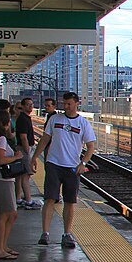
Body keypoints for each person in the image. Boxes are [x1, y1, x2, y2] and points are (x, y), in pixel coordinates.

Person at [32, 92, 96, 249]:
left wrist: (83, 163)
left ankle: (67, 234)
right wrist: (34, 157)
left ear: (76, 104)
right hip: (53, 163)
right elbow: (45, 139)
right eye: (64, 104)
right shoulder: (54, 119)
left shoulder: (83, 124)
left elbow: (91, 146)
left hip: (72, 167)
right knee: (49, 199)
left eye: (69, 104)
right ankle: (45, 233)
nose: (65, 107)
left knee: (69, 201)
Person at [0, 110, 22, 260]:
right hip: (2, 180)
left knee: (11, 214)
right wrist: (16, 157)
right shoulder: (1, 139)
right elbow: (1, 160)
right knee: (4, 215)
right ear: (6, 124)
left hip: (1, 180)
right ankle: (0, 249)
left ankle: (3, 245)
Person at [14, 98, 40, 209]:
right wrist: (28, 151)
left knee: (20, 176)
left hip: (23, 148)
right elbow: (23, 137)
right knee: (26, 175)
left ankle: (18, 198)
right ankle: (29, 201)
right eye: (28, 105)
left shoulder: (24, 118)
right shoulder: (23, 119)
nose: (30, 107)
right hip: (24, 149)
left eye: (31, 104)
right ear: (23, 106)